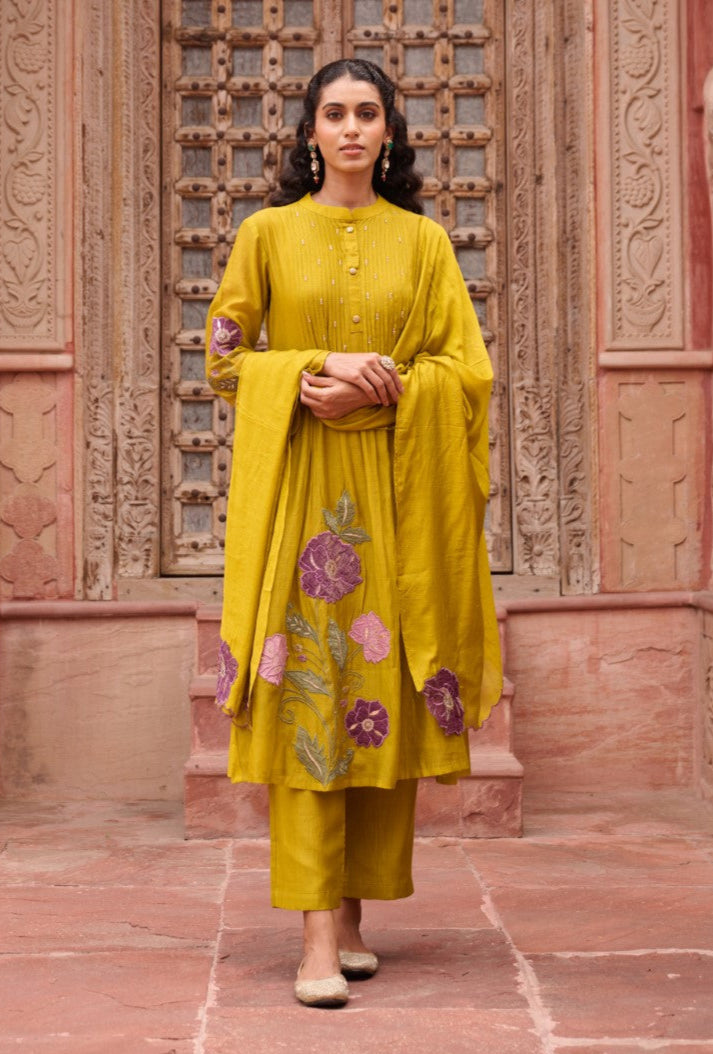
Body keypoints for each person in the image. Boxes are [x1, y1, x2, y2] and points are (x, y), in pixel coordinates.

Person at [205, 58, 502, 1008]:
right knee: (307, 700)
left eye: (366, 113)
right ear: (307, 133)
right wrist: (315, 368)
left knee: (379, 695)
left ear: (388, 133)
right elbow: (224, 360)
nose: (349, 128)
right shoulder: (265, 234)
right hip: (302, 499)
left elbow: (467, 371)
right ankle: (312, 938)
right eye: (332, 113)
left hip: (397, 497)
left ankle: (351, 913)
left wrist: (385, 391)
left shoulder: (423, 243)